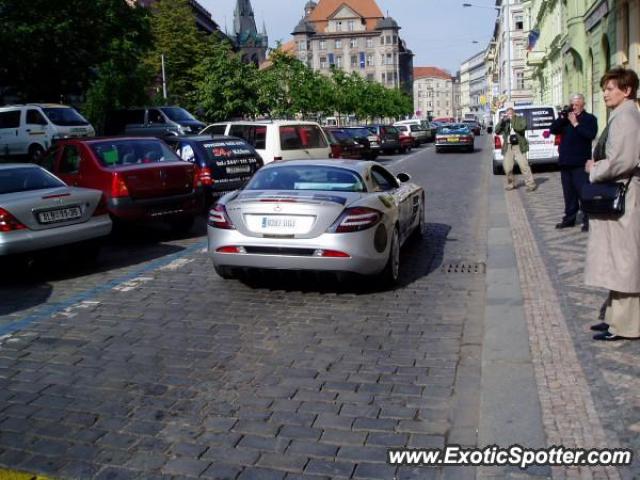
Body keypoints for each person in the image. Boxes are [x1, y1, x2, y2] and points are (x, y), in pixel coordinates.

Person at [584, 67, 640, 341]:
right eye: (604, 88)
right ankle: (614, 317)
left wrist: (595, 168)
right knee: (618, 258)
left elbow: (622, 161)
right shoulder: (622, 115)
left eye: (610, 88)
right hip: (622, 192)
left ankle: (627, 325)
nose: (605, 93)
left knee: (625, 259)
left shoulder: (626, 117)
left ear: (627, 90)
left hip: (625, 196)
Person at [550, 94, 598, 232]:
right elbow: (552, 129)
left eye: (577, 104)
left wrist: (576, 124)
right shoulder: (566, 119)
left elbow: (590, 135)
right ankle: (569, 219)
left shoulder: (589, 119)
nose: (574, 107)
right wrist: (562, 117)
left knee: (583, 192)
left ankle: (588, 219)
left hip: (580, 163)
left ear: (583, 104)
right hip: (566, 162)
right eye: (572, 104)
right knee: (569, 194)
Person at [495, 107, 537, 191]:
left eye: (510, 113)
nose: (509, 115)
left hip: (519, 145)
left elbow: (521, 128)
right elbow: (497, 131)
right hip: (508, 146)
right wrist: (501, 121)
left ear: (514, 113)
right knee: (507, 167)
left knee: (524, 166)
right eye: (507, 114)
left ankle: (530, 185)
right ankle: (511, 183)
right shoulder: (505, 122)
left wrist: (512, 120)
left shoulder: (520, 119)